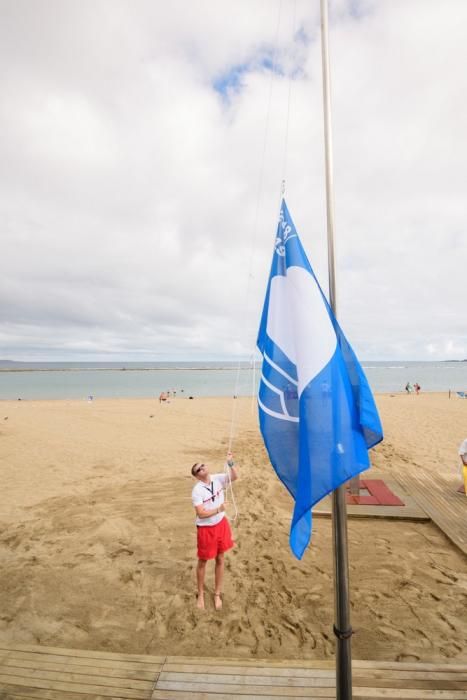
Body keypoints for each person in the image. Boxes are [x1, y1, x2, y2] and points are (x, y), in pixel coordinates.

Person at [191, 452, 238, 610]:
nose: (203, 468)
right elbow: (201, 513)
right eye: (199, 469)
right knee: (203, 561)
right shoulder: (197, 490)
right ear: (197, 476)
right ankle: (201, 593)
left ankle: (217, 593)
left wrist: (231, 464)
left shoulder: (217, 478)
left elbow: (234, 477)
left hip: (221, 525)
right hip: (206, 529)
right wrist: (219, 508)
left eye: (203, 465)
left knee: (220, 558)